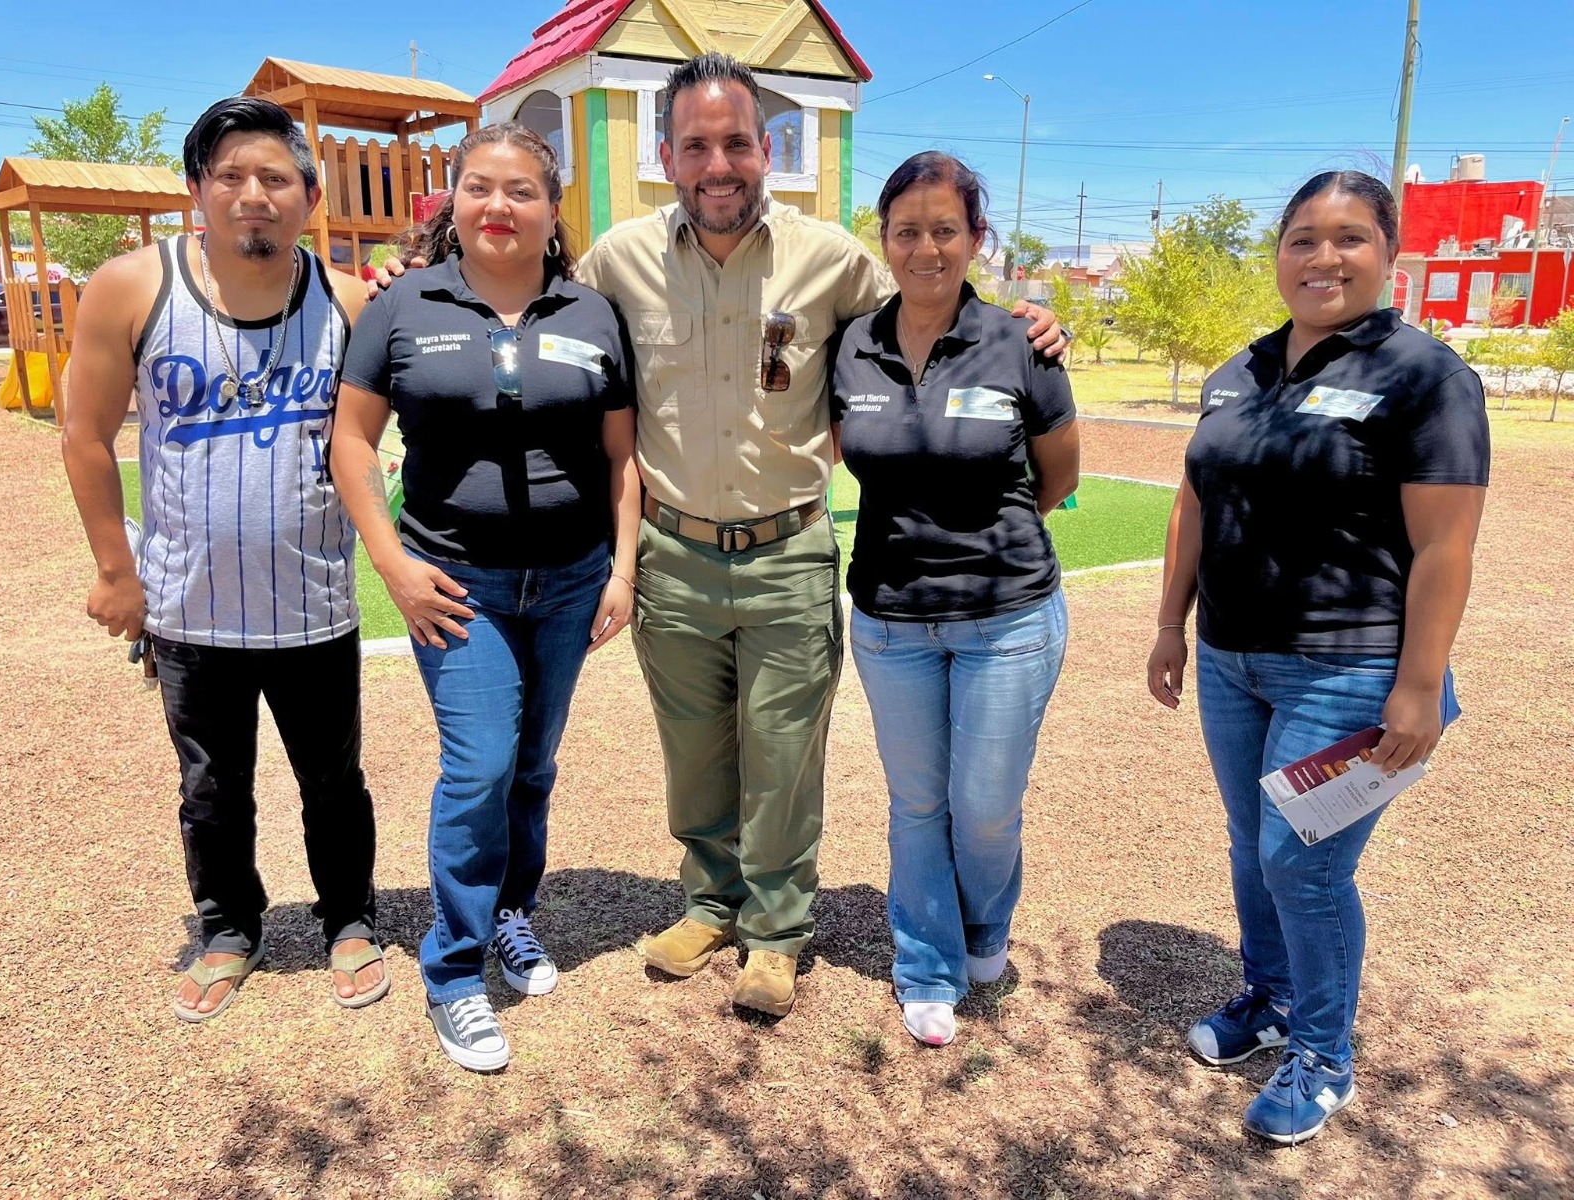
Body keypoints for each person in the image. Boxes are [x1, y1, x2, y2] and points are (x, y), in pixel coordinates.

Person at [380, 52, 1067, 1019]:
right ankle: (709, 902)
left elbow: (930, 296)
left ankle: (777, 931)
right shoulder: (616, 262)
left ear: (766, 151)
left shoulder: (832, 261)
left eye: (737, 142)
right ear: (666, 155)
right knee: (696, 753)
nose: (718, 164)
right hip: (673, 555)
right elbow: (515, 284)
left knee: (784, 756)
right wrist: (417, 280)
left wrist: (1025, 321)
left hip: (788, 552)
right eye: (696, 145)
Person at [1145, 170, 1489, 1144]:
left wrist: (1417, 685)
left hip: (1347, 670)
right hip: (1231, 660)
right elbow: (1194, 504)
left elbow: (1445, 545)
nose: (1322, 257)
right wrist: (1171, 625)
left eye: (1348, 238)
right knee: (1250, 846)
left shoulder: (1424, 376)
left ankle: (1324, 1058)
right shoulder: (1239, 371)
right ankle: (1270, 997)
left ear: (1389, 252)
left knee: (1301, 865)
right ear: (1279, 254)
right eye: (1302, 238)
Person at [62, 97, 386, 1021]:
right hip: (189, 605)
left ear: (310, 198)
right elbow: (84, 435)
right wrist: (116, 571)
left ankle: (349, 917)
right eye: (231, 176)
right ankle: (230, 927)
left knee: (334, 782)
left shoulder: (349, 301)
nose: (254, 194)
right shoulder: (132, 288)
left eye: (276, 178)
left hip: (313, 600)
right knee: (211, 788)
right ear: (196, 191)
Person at [331, 123, 640, 1072]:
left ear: (552, 209)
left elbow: (622, 457)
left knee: (532, 765)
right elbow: (351, 440)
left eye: (520, 191)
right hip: (455, 584)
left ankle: (511, 909)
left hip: (572, 580)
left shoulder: (592, 313)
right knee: (479, 767)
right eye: (479, 188)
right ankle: (455, 969)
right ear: (454, 202)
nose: (498, 206)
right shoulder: (403, 304)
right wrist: (392, 565)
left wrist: (623, 569)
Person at [832, 153, 1079, 1047]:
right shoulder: (850, 345)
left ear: (977, 238)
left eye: (946, 229)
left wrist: (978, 542)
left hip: (1006, 618)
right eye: (907, 231)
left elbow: (1058, 477)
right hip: (890, 620)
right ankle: (926, 963)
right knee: (917, 803)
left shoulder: (1022, 343)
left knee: (985, 806)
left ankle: (983, 926)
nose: (926, 248)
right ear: (885, 240)